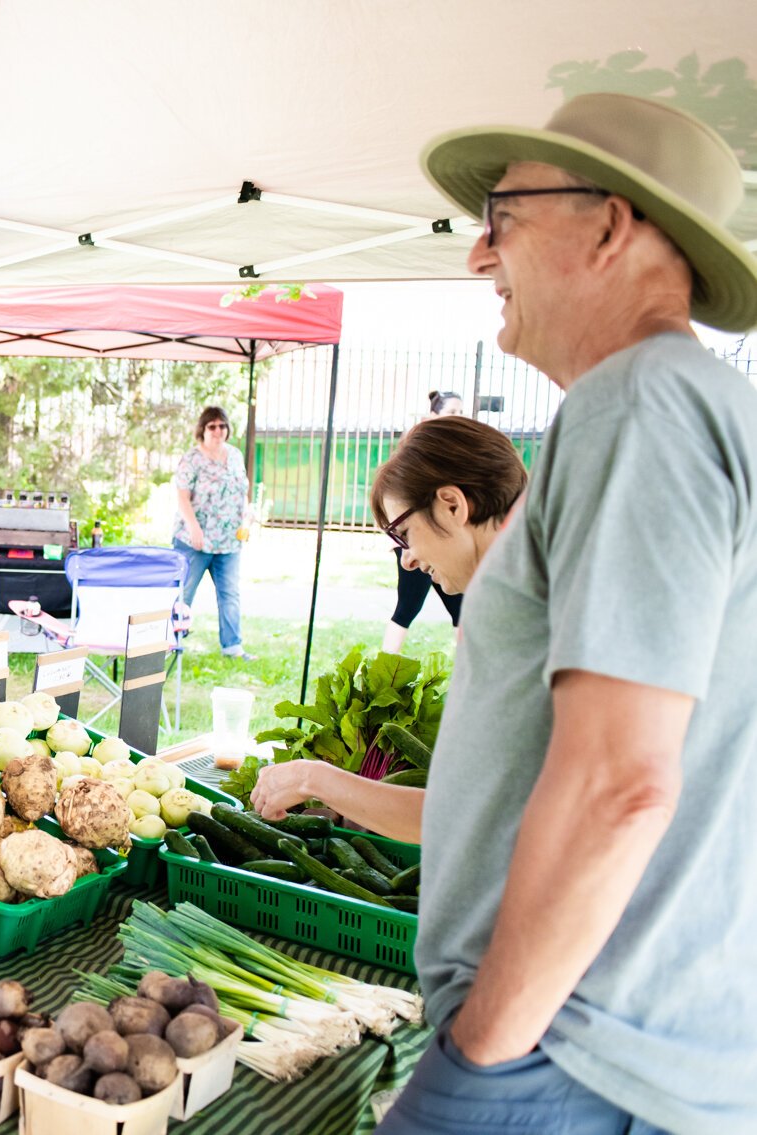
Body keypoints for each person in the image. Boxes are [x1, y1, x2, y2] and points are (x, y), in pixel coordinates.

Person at [374, 95, 757, 1134]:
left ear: (612, 224)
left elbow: (620, 783)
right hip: (633, 1039)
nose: (478, 254)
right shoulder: (708, 408)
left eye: (504, 216)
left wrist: (482, 1057)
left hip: (575, 1051)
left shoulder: (639, 403)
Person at [252, 415, 528, 843]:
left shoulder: (522, 622)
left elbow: (461, 816)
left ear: (452, 505)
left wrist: (314, 779)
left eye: (405, 534)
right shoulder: (522, 591)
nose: (408, 560)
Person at [381, 390, 467, 653]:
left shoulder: (454, 450)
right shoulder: (421, 448)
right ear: (433, 415)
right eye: (452, 412)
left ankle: (468, 671)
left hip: (441, 543)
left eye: (461, 413)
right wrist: (404, 540)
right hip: (418, 541)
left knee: (461, 608)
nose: (459, 418)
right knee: (408, 607)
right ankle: (382, 673)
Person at [172, 405, 251, 660]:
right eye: (212, 426)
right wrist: (195, 529)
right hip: (194, 540)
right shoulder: (192, 459)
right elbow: (182, 497)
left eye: (222, 425)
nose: (218, 431)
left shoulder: (236, 456)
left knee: (230, 594)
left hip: (228, 541)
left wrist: (246, 517)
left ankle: (233, 647)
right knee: (182, 594)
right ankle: (170, 641)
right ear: (202, 430)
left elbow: (241, 491)